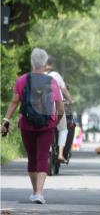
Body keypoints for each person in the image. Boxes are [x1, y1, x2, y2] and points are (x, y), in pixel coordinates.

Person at [1, 48, 65, 204]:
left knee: (32, 158)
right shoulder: (52, 82)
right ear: (45, 64)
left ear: (32, 62)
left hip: (27, 124)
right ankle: (39, 193)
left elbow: (15, 102)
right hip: (47, 124)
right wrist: (54, 123)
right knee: (43, 156)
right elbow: (61, 108)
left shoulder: (22, 80)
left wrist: (6, 121)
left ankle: (34, 190)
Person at [45, 56, 74, 162]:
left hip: (40, 109)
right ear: (51, 64)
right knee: (63, 129)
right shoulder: (55, 75)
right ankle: (60, 154)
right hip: (56, 107)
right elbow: (64, 89)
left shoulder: (36, 75)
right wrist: (70, 100)